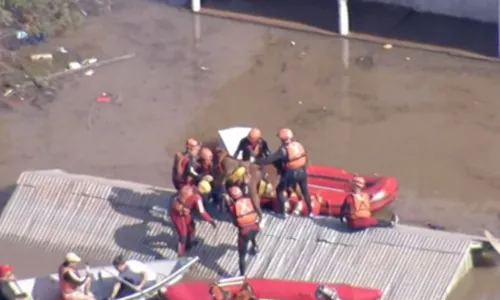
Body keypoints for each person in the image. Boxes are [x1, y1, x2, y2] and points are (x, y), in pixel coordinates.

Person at [255, 128, 313, 218]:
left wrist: (256, 161)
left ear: (282, 139)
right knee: (305, 192)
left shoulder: (283, 150)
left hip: (292, 174)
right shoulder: (298, 144)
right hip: (303, 172)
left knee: (279, 191)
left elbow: (270, 159)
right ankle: (310, 211)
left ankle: (283, 213)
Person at [169, 180, 217, 256]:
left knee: (191, 226)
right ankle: (181, 253)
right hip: (179, 215)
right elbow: (202, 212)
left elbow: (174, 196)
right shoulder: (197, 198)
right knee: (183, 235)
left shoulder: (187, 187)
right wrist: (211, 220)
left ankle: (189, 242)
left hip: (178, 211)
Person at [227, 186, 260, 276]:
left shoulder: (233, 207)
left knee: (242, 256)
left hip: (244, 232)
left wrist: (228, 204)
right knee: (252, 235)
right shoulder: (248, 199)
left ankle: (242, 275)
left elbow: (235, 222)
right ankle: (255, 247)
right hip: (255, 227)